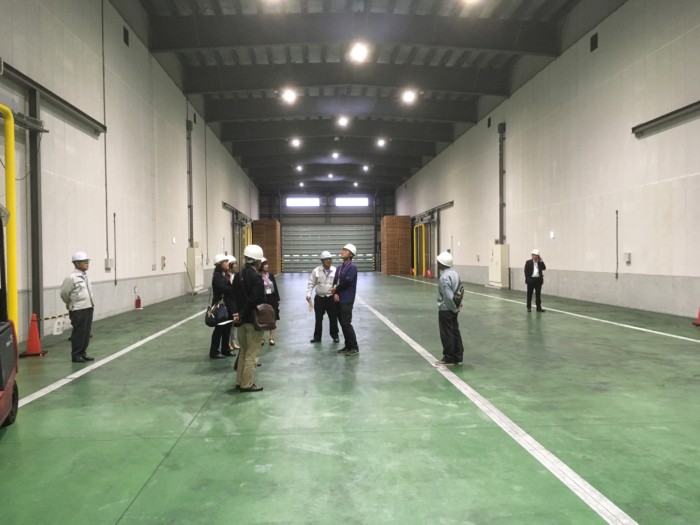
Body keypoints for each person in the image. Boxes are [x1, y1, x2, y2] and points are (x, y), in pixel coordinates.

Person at [231, 244, 266, 392]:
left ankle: (240, 381)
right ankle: (247, 384)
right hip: (253, 321)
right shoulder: (256, 277)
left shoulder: (238, 275)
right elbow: (255, 300)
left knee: (243, 352)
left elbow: (232, 297)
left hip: (241, 322)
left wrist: (237, 314)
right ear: (257, 261)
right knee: (252, 354)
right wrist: (243, 313)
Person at [60, 251, 96, 363]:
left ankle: (83, 353)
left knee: (86, 333)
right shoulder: (71, 278)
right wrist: (70, 303)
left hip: (88, 307)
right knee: (79, 333)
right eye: (84, 261)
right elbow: (64, 293)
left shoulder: (85, 276)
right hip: (78, 309)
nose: (87, 263)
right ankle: (76, 355)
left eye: (87, 261)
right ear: (76, 263)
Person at [435, 251, 465, 366]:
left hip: (446, 309)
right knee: (455, 331)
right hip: (454, 308)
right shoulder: (455, 274)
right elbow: (460, 290)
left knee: (447, 333)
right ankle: (458, 356)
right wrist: (457, 306)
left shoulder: (444, 277)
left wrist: (453, 308)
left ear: (442, 264)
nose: (437, 263)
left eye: (438, 262)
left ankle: (449, 358)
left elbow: (448, 297)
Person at [306, 251, 339, 344]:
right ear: (322, 261)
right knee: (318, 318)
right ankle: (317, 337)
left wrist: (336, 292)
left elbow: (338, 283)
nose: (329, 261)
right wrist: (308, 294)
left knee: (333, 318)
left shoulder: (335, 270)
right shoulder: (316, 271)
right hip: (319, 298)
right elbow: (311, 283)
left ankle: (335, 336)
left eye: (330, 259)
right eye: (326, 259)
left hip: (330, 298)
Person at [332, 243, 359, 356]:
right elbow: (335, 282)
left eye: (345, 250)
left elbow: (347, 282)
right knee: (342, 324)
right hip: (338, 299)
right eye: (343, 249)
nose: (342, 251)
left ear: (351, 254)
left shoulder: (352, 267)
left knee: (346, 324)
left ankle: (354, 347)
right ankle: (348, 346)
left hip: (347, 299)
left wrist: (336, 289)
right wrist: (335, 293)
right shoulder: (339, 268)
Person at [209, 254, 238, 359]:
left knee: (227, 329)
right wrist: (234, 288)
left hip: (227, 306)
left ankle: (225, 350)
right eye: (225, 262)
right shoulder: (217, 276)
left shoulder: (224, 275)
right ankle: (214, 351)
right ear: (219, 264)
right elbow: (223, 288)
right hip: (220, 307)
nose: (227, 264)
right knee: (219, 329)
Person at [259, 257, 280, 345]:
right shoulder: (258, 276)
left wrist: (277, 298)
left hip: (272, 298)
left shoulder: (270, 275)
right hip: (263, 299)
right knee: (262, 318)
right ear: (260, 266)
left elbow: (275, 287)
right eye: (265, 264)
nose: (267, 266)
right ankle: (261, 338)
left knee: (273, 318)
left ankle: (271, 338)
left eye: (267, 264)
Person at [227, 255, 240, 351]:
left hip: (235, 300)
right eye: (234, 263)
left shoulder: (235, 274)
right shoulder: (225, 276)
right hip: (228, 301)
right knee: (229, 323)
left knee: (235, 322)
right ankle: (227, 342)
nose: (236, 265)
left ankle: (233, 341)